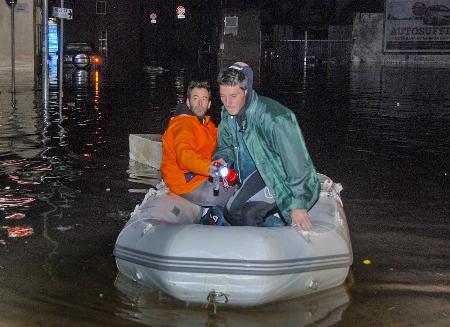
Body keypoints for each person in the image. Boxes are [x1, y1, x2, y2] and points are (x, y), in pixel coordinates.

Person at [211, 62, 320, 230]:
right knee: (232, 211)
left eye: (233, 96)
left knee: (244, 213)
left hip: (279, 174)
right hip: (256, 174)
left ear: (246, 92)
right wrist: (221, 160)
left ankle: (281, 235)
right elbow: (225, 146)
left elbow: (297, 164)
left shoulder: (275, 118)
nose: (227, 102)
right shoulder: (228, 115)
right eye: (222, 96)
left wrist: (298, 204)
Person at [160, 81, 233, 217]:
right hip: (187, 182)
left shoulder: (207, 125)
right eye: (195, 98)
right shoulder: (183, 124)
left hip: (200, 176)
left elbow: (223, 142)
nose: (200, 103)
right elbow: (185, 155)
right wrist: (209, 168)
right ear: (188, 102)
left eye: (204, 99)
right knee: (236, 197)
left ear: (209, 104)